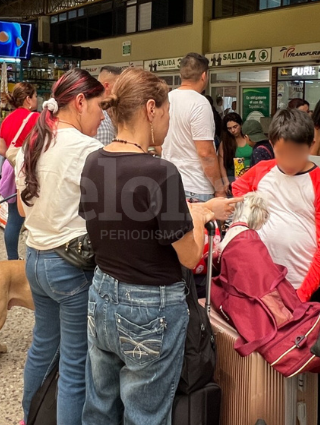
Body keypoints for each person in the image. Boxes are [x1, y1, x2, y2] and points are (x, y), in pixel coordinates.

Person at [80, 67, 216, 425]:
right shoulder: (161, 171)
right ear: (151, 109)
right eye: (169, 113)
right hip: (150, 308)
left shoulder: (94, 161)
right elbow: (189, 254)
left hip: (102, 294)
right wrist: (198, 218)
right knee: (145, 415)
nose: (168, 122)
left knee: (99, 407)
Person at [232, 108, 320, 425]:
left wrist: (301, 295)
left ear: (310, 146)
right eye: (281, 152)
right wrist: (250, 211)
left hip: (305, 291)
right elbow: (239, 189)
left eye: (294, 153)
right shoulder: (264, 169)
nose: (287, 160)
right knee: (273, 360)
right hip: (266, 287)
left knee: (312, 362)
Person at [15, 69, 105, 424]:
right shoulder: (87, 148)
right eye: (100, 107)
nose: (103, 117)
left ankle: (29, 417)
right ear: (80, 102)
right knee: (73, 363)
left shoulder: (34, 142)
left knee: (42, 347)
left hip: (35, 260)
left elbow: (23, 206)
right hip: (70, 267)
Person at [162, 53, 225, 202]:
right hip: (196, 188)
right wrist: (219, 188)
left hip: (169, 182)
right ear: (204, 76)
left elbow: (158, 142)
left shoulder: (166, 99)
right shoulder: (200, 103)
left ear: (181, 74)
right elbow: (206, 153)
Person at [0, 82, 39, 260]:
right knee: (34, 216)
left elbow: (1, 149)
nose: (37, 100)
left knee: (14, 217)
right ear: (28, 99)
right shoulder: (36, 118)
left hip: (10, 169)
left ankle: (12, 259)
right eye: (35, 96)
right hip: (29, 170)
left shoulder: (7, 119)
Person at [219, 112, 249, 190]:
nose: (233, 130)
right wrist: (226, 182)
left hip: (251, 178)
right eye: (229, 128)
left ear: (241, 125)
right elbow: (221, 164)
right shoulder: (225, 143)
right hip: (234, 179)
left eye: (235, 127)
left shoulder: (249, 138)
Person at [94, 66, 123, 146]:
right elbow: (104, 157)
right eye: (119, 87)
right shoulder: (101, 120)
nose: (123, 91)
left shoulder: (110, 114)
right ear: (106, 86)